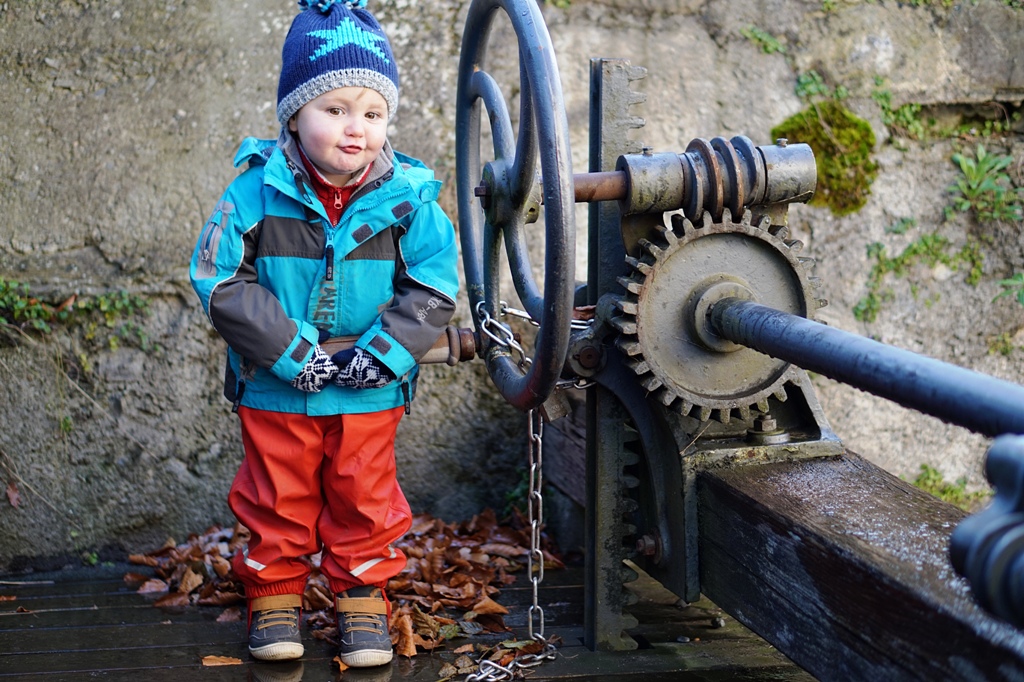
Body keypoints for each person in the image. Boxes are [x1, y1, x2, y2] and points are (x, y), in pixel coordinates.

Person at [189, 0, 458, 668]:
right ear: (294, 114)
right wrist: (287, 350)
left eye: (372, 113)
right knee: (276, 494)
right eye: (334, 109)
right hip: (277, 385)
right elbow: (219, 277)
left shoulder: (410, 198)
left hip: (369, 386)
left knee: (365, 495)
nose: (354, 129)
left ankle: (363, 600)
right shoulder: (255, 193)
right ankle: (275, 596)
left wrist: (387, 352)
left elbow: (435, 282)